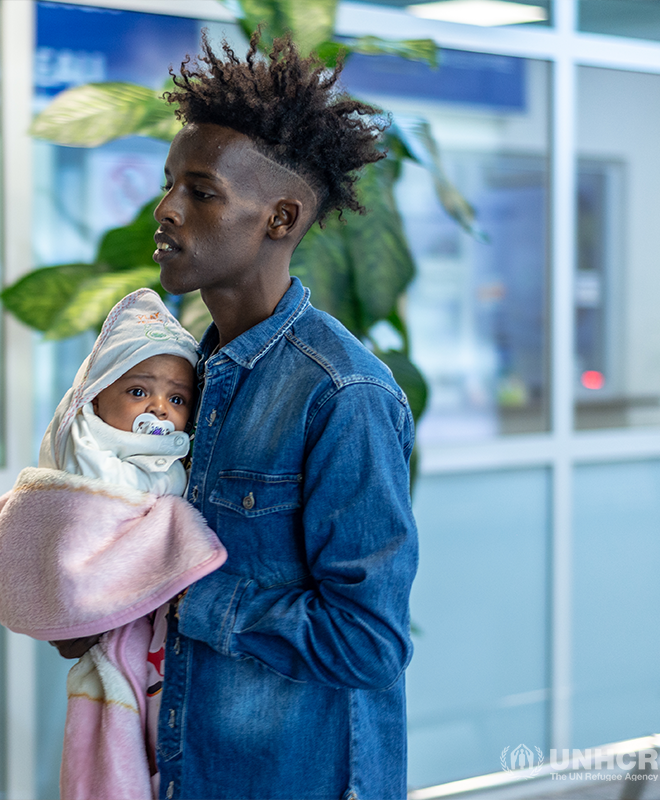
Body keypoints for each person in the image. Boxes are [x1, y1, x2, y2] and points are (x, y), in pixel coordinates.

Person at [145, 33, 419, 800]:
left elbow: (366, 642)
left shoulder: (342, 394)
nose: (166, 210)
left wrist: (181, 595)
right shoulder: (181, 378)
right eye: (170, 184)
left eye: (201, 192)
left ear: (281, 217)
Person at [0, 288, 226, 799]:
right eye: (137, 391)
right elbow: (82, 530)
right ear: (95, 397)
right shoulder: (92, 451)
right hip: (117, 636)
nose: (158, 407)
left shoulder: (178, 457)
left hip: (158, 642)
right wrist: (165, 527)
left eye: (177, 399)